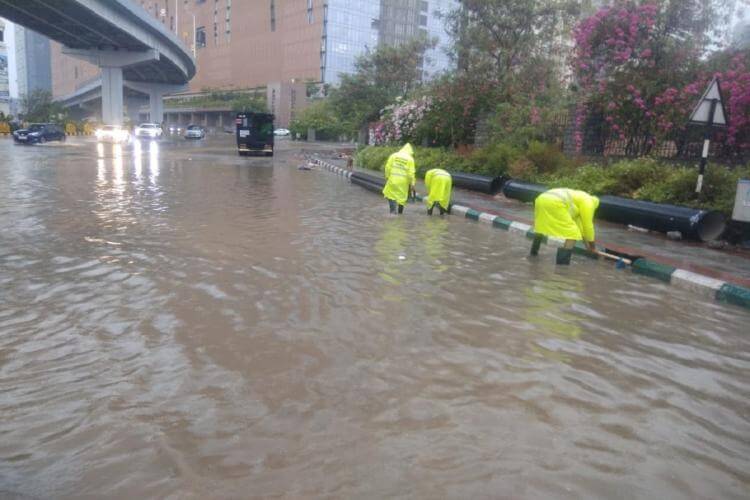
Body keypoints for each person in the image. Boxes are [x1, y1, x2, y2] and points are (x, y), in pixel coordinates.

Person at [530, 188, 599, 265]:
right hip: (556, 202)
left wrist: (588, 247)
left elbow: (581, 228)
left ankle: (533, 253)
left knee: (541, 226)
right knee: (573, 234)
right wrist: (593, 248)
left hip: (541, 198)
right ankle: (561, 266)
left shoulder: (578, 199)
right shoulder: (589, 203)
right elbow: (588, 226)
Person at [382, 143, 416, 215]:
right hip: (403, 183)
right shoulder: (410, 159)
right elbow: (411, 173)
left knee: (391, 195)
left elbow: (387, 167)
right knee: (402, 198)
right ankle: (400, 213)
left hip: (392, 180)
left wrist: (387, 176)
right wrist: (412, 183)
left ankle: (392, 212)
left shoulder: (394, 155)